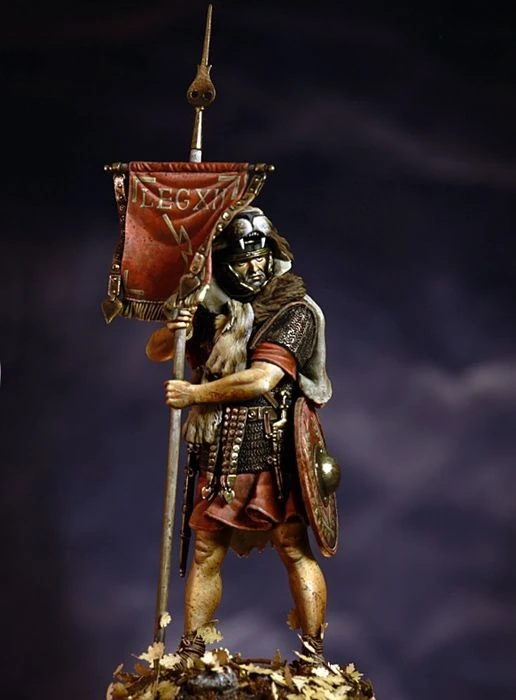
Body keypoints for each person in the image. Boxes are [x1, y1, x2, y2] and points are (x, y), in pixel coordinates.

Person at [146, 206, 333, 662]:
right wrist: (179, 324)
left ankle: (313, 654)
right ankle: (191, 653)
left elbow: (263, 378)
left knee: (292, 546)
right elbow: (157, 350)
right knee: (206, 550)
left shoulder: (294, 311)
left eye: (260, 256)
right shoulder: (215, 308)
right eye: (242, 259)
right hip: (218, 450)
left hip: (272, 449)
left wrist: (195, 393)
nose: (254, 267)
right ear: (224, 263)